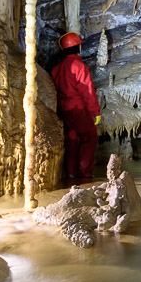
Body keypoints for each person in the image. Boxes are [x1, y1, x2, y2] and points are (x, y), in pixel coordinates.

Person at [50, 31, 101, 181]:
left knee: (72, 140)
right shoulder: (79, 66)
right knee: (89, 137)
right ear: (78, 47)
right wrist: (95, 112)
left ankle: (71, 174)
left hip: (63, 109)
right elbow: (88, 91)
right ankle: (85, 174)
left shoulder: (56, 69)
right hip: (78, 108)